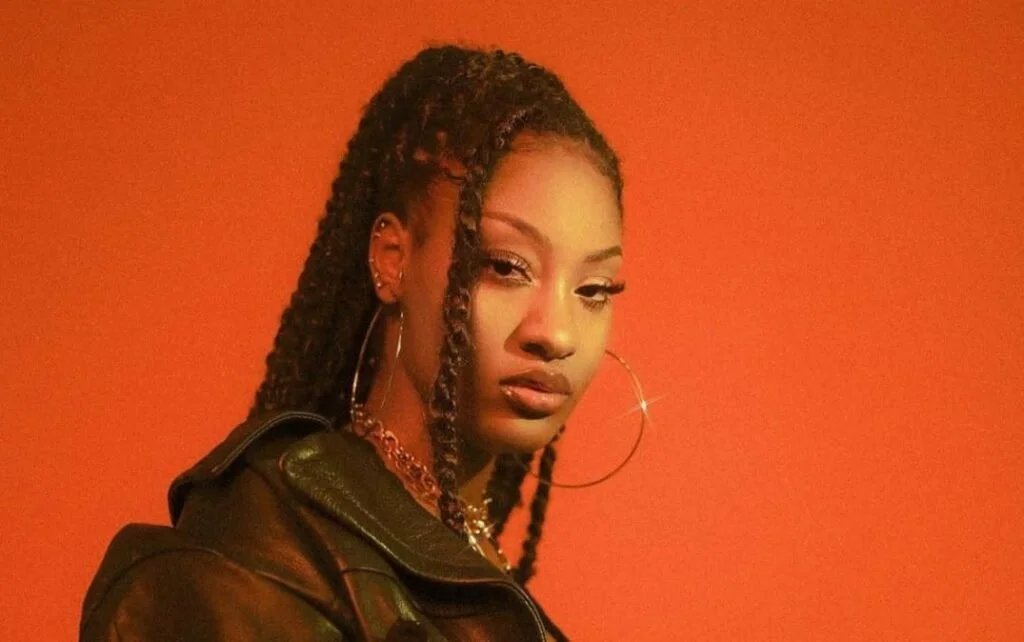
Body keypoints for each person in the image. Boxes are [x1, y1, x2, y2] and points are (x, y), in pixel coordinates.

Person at [80, 44, 640, 641]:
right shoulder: (256, 561)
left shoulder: (469, 556)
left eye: (593, 289)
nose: (555, 333)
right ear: (392, 259)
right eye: (504, 267)